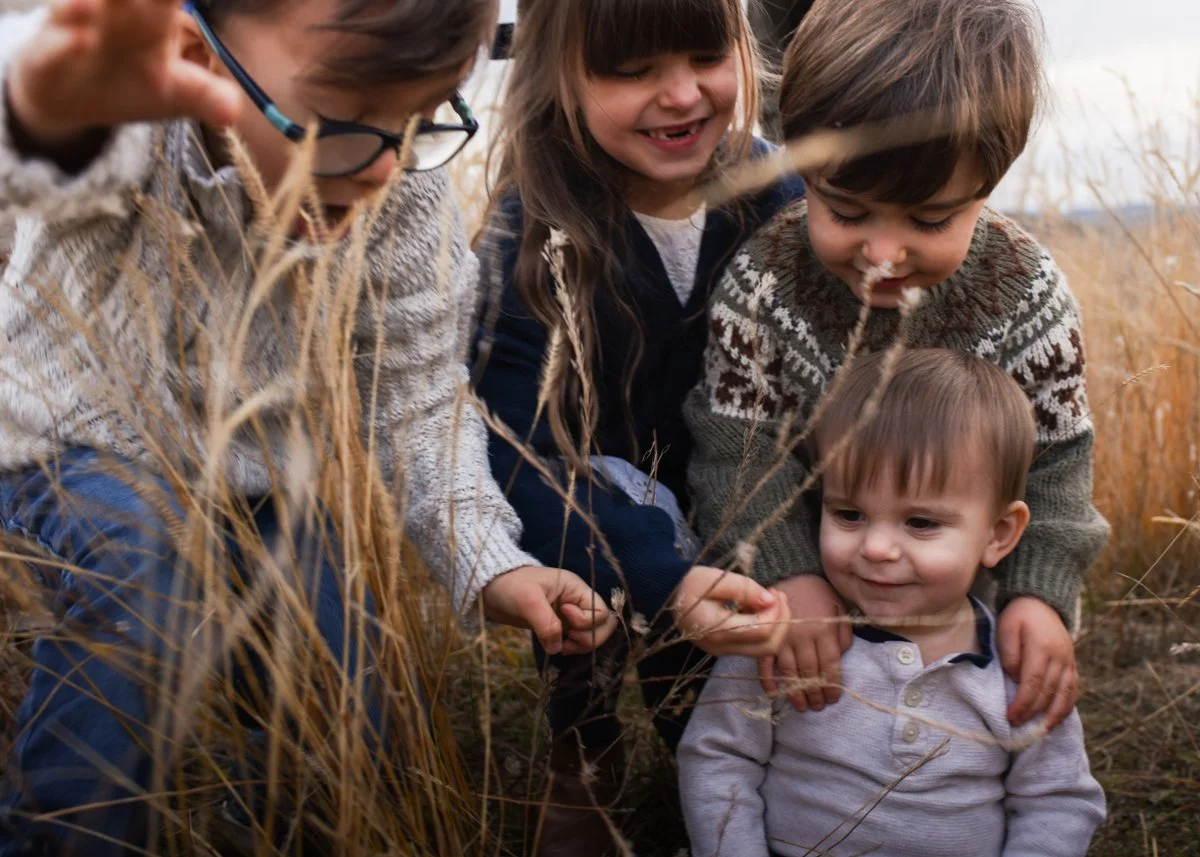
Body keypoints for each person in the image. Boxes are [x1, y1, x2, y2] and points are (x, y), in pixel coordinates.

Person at [0, 0, 617, 852]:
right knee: (141, 557)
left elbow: (416, 400)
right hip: (60, 446)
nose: (384, 163)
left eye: (418, 117)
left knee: (356, 698)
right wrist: (37, 98)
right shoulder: (130, 122)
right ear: (198, 57)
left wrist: (490, 560)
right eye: (349, 118)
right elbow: (36, 141)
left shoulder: (397, 189)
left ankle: (268, 820)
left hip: (255, 487)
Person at [685, 0, 1108, 732]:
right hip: (809, 603)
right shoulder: (764, 283)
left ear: (987, 187)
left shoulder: (1026, 294)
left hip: (958, 609)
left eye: (929, 219)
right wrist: (790, 572)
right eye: (847, 212)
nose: (883, 253)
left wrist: (1038, 594)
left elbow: (1057, 459)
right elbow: (736, 448)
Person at [471, 0, 804, 852]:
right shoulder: (530, 235)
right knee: (585, 592)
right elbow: (514, 451)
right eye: (632, 71)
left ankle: (739, 754)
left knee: (719, 727)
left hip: (753, 501)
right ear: (558, 78)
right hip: (598, 518)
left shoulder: (781, 197)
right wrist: (659, 574)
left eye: (705, 56)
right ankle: (579, 751)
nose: (682, 94)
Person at [679, 348, 1107, 857]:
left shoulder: (1018, 667)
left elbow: (1057, 802)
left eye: (921, 523)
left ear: (998, 534)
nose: (876, 548)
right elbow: (718, 758)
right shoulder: (783, 636)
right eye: (849, 514)